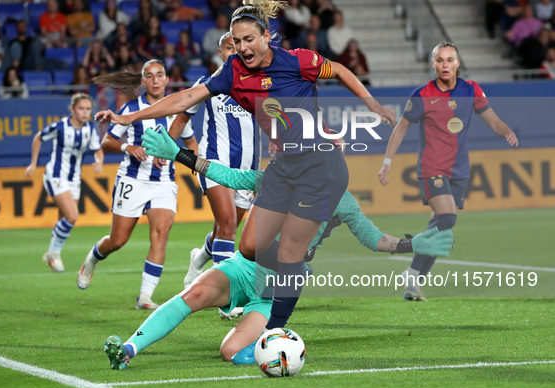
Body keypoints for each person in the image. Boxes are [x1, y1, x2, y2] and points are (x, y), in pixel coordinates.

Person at [95, 0, 395, 329]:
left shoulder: (298, 62)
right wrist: (129, 116)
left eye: (249, 39)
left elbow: (338, 70)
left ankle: (275, 323)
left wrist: (374, 106)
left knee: (285, 250)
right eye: (236, 42)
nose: (242, 47)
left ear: (267, 36)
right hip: (280, 165)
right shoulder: (231, 73)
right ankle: (285, 272)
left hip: (317, 165)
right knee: (250, 247)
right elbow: (183, 99)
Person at [101, 125, 453, 370]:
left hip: (277, 288)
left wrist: (411, 243)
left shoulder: (340, 199)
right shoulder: (276, 176)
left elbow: (374, 238)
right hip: (245, 267)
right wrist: (180, 154)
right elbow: (229, 176)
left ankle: (277, 349)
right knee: (194, 292)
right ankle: (129, 348)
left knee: (229, 352)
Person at [378, 42, 519, 301]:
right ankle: (409, 253)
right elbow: (401, 128)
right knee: (448, 218)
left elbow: (493, 120)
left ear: (457, 63)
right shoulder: (422, 95)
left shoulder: (471, 90)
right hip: (432, 168)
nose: (445, 65)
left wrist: (507, 131)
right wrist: (387, 162)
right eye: (440, 60)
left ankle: (413, 280)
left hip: (459, 171)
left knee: (441, 230)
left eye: (449, 60)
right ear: (433, 64)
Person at [76, 59, 198, 310]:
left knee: (161, 235)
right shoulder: (132, 109)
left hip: (164, 182)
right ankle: (91, 259)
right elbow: (107, 142)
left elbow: (191, 142)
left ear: (167, 79)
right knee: (118, 240)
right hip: (132, 180)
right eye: (150, 76)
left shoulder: (178, 110)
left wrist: (194, 164)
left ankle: (144, 297)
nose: (155, 80)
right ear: (143, 82)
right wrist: (128, 147)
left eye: (159, 75)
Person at [167, 32, 258, 295]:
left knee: (225, 227)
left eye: (241, 46)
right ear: (220, 53)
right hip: (213, 162)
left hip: (246, 170)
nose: (237, 51)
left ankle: (199, 257)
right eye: (230, 47)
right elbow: (181, 118)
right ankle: (224, 294)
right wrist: (167, 150)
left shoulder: (257, 83)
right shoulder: (208, 83)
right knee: (228, 224)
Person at [25, 93, 103, 272]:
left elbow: (98, 150)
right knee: (72, 216)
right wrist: (34, 163)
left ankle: (51, 254)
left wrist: (99, 163)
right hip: (56, 175)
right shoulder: (60, 127)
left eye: (88, 109)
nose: (85, 113)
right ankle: (53, 254)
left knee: (64, 219)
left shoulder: (90, 129)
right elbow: (38, 137)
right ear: (72, 110)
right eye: (81, 109)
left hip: (74, 178)